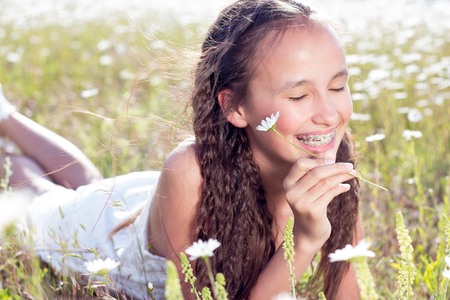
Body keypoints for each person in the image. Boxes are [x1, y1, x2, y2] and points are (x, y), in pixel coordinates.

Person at [0, 0, 363, 299]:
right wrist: (304, 241)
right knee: (38, 201)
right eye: (299, 95)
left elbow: (349, 291)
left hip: (142, 203)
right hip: (105, 240)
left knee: (87, 181)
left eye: (337, 87)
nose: (329, 115)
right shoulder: (192, 170)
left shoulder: (335, 163)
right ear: (235, 107)